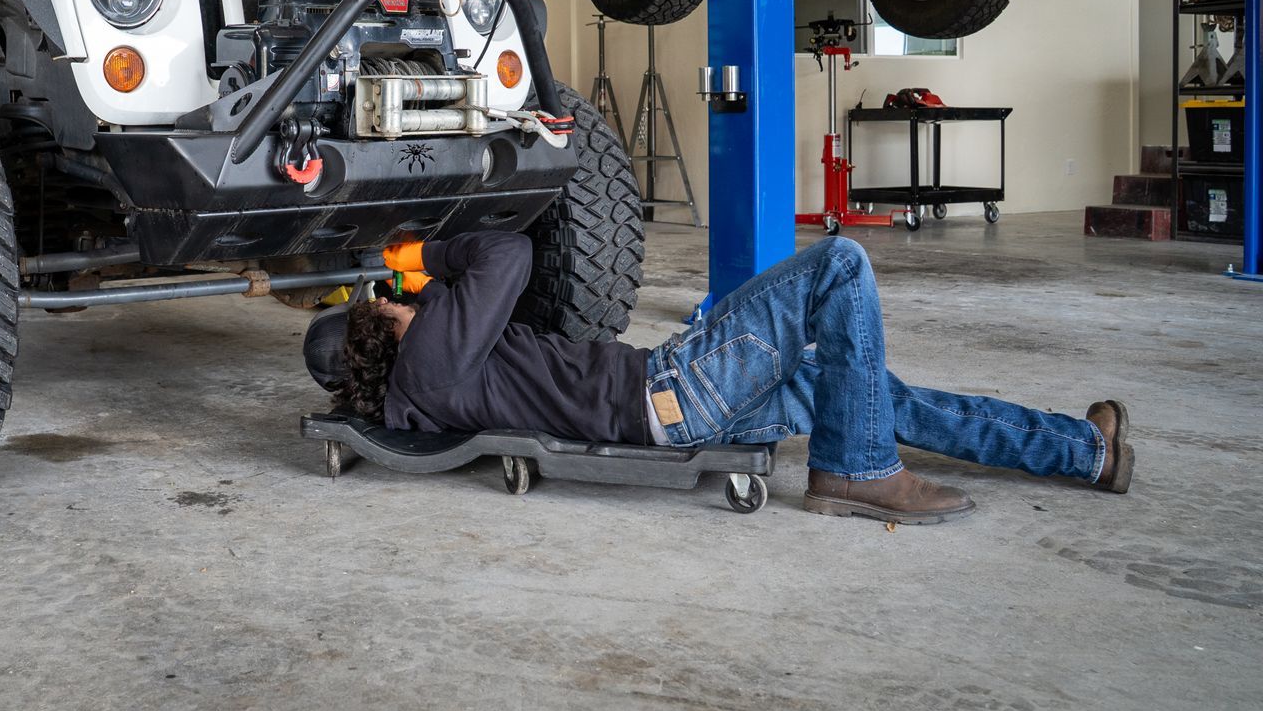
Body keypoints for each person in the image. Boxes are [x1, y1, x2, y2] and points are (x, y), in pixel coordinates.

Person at [322, 231, 1133, 525]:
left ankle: (1079, 451)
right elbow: (505, 255)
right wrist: (419, 256)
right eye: (389, 305)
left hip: (672, 402)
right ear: (376, 334)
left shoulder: (435, 379)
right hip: (668, 391)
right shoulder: (427, 359)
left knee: (861, 391)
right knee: (839, 265)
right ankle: (855, 475)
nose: (406, 301)